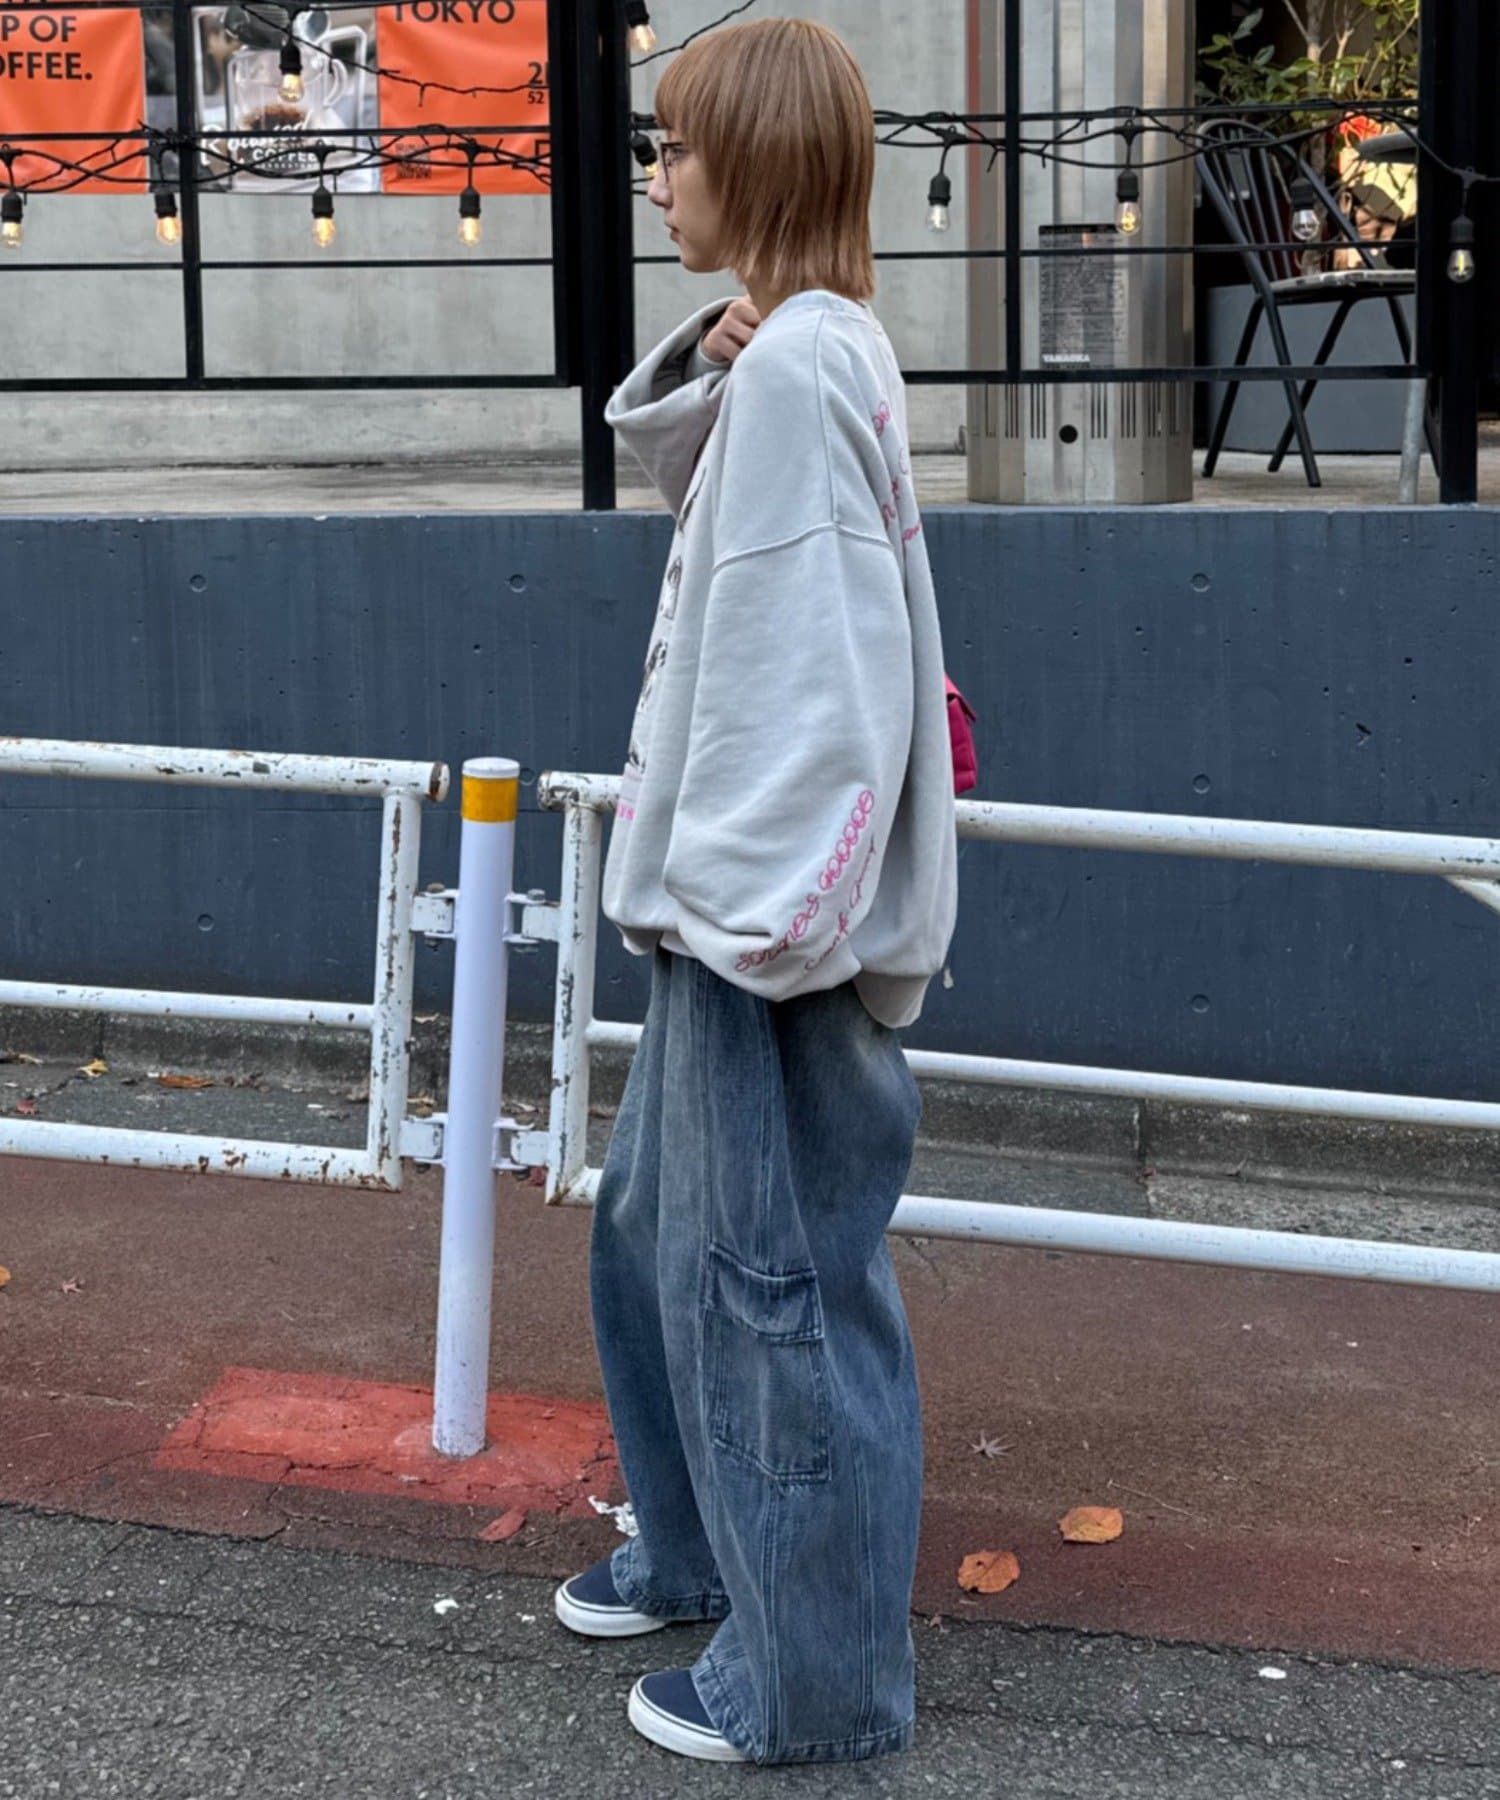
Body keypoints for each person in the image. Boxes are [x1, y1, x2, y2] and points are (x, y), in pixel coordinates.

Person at [551, 16, 958, 1767]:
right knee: (664, 1236)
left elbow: (814, 677)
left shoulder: (801, 370)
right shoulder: (801, 350)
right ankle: (705, 1551)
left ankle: (809, 1680)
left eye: (679, 147)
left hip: (761, 924)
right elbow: (749, 558)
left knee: (765, 1285)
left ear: (761, 164)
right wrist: (719, 361)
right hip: (751, 902)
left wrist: (754, 929)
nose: (658, 177)